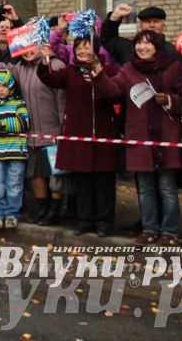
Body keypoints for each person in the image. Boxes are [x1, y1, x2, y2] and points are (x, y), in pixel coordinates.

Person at [92, 30, 182, 246]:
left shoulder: (172, 67)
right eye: (138, 43)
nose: (141, 48)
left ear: (157, 47)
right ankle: (149, 229)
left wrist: (169, 100)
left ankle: (170, 232)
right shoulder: (129, 69)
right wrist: (99, 72)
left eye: (147, 44)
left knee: (167, 188)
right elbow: (111, 91)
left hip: (166, 136)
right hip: (139, 138)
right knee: (145, 188)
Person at [38, 37, 121, 236]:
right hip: (78, 135)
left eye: (87, 46)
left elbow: (114, 94)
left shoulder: (109, 71)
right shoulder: (69, 72)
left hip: (104, 135)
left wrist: (97, 71)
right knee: (83, 183)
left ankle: (104, 223)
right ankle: (85, 221)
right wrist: (45, 60)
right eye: (79, 48)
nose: (82, 51)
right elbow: (49, 78)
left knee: (104, 183)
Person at [0, 44, 67, 225]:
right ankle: (42, 210)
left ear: (41, 46)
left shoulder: (55, 65)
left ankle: (54, 211)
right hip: (30, 132)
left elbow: (61, 99)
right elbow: (3, 69)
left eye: (32, 47)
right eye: (23, 48)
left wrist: (64, 129)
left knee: (57, 175)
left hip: (54, 130)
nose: (28, 51)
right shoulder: (20, 69)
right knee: (36, 173)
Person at [0, 70, 30, 230]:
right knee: (0, 185)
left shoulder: (19, 104)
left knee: (14, 184)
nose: (1, 90)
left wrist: (2, 124)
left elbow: (24, 123)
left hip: (17, 152)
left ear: (11, 87)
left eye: (4, 86)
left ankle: (12, 214)